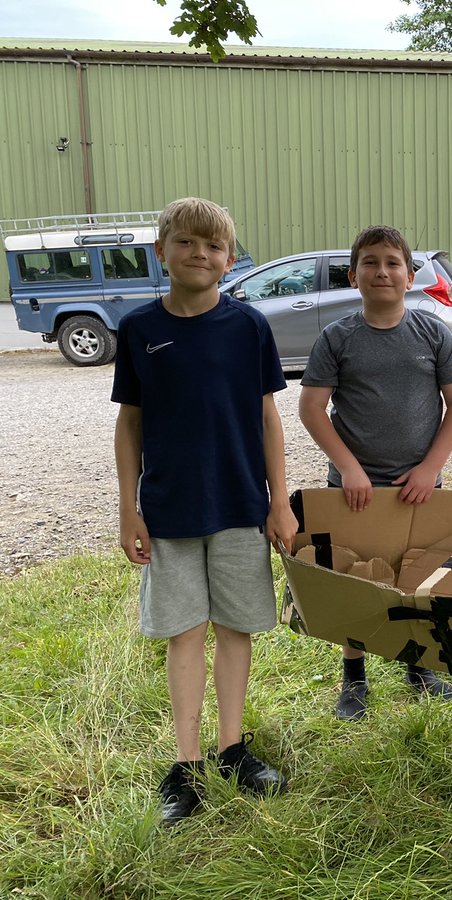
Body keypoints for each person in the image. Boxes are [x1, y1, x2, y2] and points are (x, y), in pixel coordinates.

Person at [112, 197, 296, 825]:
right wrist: (128, 509)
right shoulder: (138, 330)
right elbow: (130, 422)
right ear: (161, 250)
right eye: (186, 242)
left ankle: (232, 748)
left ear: (229, 258)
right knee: (185, 631)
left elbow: (269, 418)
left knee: (235, 627)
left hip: (243, 505)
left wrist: (280, 503)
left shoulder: (249, 328)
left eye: (214, 246)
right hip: (170, 509)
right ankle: (186, 763)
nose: (200, 254)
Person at [298, 225, 452, 720]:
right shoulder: (337, 337)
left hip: (419, 488)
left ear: (410, 275)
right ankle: (354, 675)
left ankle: (419, 662)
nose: (382, 271)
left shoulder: (431, 332)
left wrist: (429, 468)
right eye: (371, 262)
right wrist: (348, 469)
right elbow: (312, 409)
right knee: (356, 579)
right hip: (354, 490)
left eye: (393, 262)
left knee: (414, 572)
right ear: (354, 276)